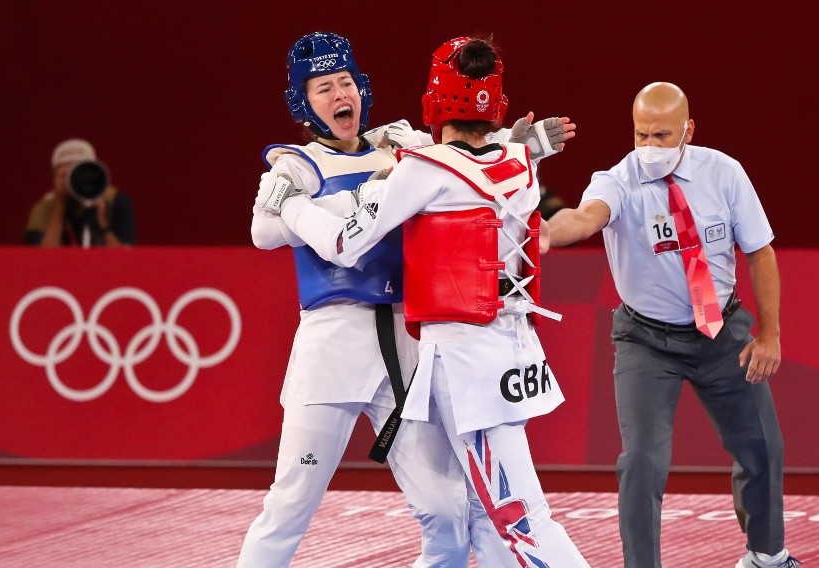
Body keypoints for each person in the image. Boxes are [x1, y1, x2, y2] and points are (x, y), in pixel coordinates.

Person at [238, 31, 577, 568]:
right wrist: (307, 197)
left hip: (405, 347)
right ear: (305, 103)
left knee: (447, 510)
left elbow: (465, 164)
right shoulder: (296, 166)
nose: (338, 95)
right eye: (324, 87)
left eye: (345, 82)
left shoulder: (404, 148)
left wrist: (517, 144)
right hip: (332, 348)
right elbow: (263, 233)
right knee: (289, 505)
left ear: (362, 89)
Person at [542, 82, 799, 568]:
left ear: (689, 130)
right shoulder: (617, 179)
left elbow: (760, 252)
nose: (650, 148)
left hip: (722, 333)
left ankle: (766, 556)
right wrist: (547, 234)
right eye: (641, 135)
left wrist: (771, 333)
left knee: (763, 448)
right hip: (645, 341)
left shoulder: (724, 173)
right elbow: (583, 217)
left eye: (662, 136)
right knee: (641, 463)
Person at [25, 139, 136, 247]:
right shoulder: (44, 207)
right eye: (65, 174)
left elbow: (126, 260)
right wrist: (59, 203)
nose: (72, 179)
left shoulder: (115, 201)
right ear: (54, 177)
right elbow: (41, 259)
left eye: (78, 171)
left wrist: (104, 225)